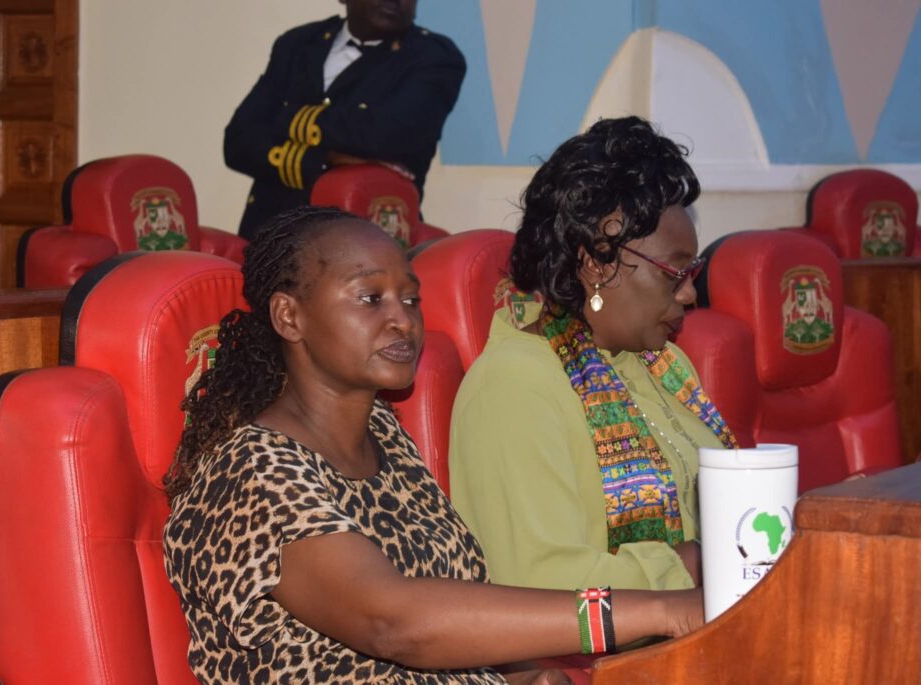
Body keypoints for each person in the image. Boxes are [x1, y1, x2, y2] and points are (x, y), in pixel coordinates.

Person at [162, 206, 703, 685]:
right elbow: (393, 623)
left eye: (411, 299)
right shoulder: (251, 470)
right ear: (289, 316)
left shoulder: (384, 435)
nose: (403, 319)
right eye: (370, 298)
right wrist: (661, 610)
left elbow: (453, 596)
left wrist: (524, 674)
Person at [449, 117, 740, 596]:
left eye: (693, 272)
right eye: (674, 273)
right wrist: (699, 564)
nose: (689, 294)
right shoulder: (513, 386)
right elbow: (538, 586)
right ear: (595, 263)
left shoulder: (665, 364)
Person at [223, 0, 465, 239]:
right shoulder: (297, 44)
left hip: (367, 240)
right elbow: (238, 142)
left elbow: (388, 135)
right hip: (271, 233)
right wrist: (326, 159)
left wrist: (286, 118)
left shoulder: (434, 56)